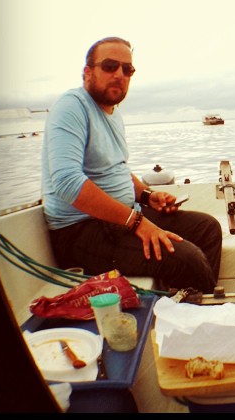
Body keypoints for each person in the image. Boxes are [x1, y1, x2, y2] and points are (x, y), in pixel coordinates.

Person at [41, 36, 222, 293]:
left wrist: (148, 196)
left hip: (121, 219)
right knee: (186, 259)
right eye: (110, 66)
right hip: (81, 232)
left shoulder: (114, 114)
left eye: (127, 69)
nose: (119, 74)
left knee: (207, 229)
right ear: (87, 72)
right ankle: (200, 312)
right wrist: (137, 222)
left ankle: (190, 303)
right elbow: (67, 183)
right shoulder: (71, 107)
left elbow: (117, 169)